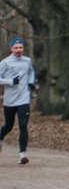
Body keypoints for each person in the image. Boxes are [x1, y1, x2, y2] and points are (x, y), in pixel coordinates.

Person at [0, 36, 37, 165]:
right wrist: (10, 81)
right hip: (10, 100)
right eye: (16, 48)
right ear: (11, 49)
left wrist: (32, 82)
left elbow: (31, 72)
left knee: (23, 125)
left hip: (24, 98)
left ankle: (22, 155)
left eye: (20, 47)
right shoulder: (5, 62)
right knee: (9, 126)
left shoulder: (27, 61)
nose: (18, 50)